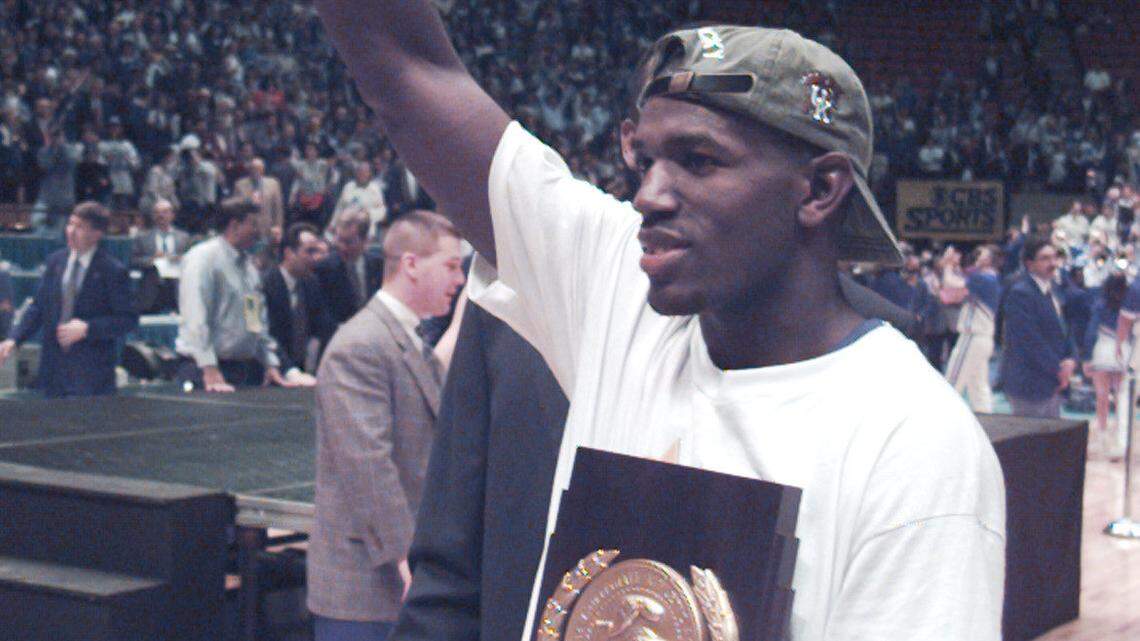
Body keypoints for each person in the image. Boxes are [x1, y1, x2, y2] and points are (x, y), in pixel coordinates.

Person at [316, 6, 1005, 640]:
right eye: (643, 159)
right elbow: (408, 72)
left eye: (699, 160)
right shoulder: (622, 291)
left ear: (820, 189)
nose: (648, 194)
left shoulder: (916, 443)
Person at [307, 210, 466, 641]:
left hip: (393, 589)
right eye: (451, 266)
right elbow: (368, 467)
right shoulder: (360, 346)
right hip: (365, 592)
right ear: (411, 264)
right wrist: (409, 564)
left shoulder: (403, 339)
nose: (459, 279)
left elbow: (438, 369)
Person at [0, 202, 138, 396]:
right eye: (70, 224)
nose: (71, 231)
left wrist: (88, 329)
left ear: (96, 234)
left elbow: (128, 320)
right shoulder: (55, 262)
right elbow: (39, 307)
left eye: (80, 227)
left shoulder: (112, 271)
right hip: (53, 371)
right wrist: (14, 339)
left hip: (91, 374)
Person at [173, 198, 290, 392]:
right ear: (234, 226)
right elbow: (196, 317)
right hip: (204, 369)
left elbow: (255, 321)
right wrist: (209, 367)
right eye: (253, 224)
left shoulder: (249, 267)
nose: (259, 232)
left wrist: (269, 363)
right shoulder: (202, 259)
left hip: (242, 369)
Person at [999, 237, 1077, 418]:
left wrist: (1071, 359)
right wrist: (1058, 370)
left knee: (1051, 442)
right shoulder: (1021, 293)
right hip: (1029, 383)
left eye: (1054, 257)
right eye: (1045, 258)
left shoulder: (1054, 290)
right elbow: (1029, 340)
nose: (1052, 263)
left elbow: (1064, 329)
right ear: (1029, 263)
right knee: (1029, 442)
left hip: (1052, 382)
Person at [262, 222, 331, 382]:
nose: (315, 258)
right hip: (272, 372)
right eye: (309, 251)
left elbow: (324, 327)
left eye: (317, 251)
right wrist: (290, 371)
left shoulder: (311, 284)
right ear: (288, 253)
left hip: (302, 372)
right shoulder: (266, 285)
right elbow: (266, 335)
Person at [945, 244, 1001, 412]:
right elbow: (953, 295)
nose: (977, 256)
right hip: (983, 338)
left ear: (990, 259)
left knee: (952, 384)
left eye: (982, 254)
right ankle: (987, 424)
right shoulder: (990, 279)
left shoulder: (983, 278)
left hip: (973, 337)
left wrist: (948, 263)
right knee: (978, 388)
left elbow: (951, 284)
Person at [314, 208, 383, 326]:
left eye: (349, 242)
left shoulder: (379, 265)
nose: (342, 247)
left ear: (365, 240)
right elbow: (322, 315)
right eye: (340, 240)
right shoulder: (324, 269)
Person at [1084, 272, 1127, 451]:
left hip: (1102, 351)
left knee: (1102, 396)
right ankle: (1121, 439)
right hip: (1123, 352)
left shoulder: (1100, 305)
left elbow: (1091, 333)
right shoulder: (1129, 306)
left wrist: (1086, 358)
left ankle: (1102, 436)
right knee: (1121, 397)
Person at [131, 198, 190, 313]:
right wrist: (152, 259)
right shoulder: (142, 238)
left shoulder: (184, 237)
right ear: (153, 216)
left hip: (177, 289)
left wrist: (181, 259)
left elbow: (191, 260)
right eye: (157, 212)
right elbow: (133, 261)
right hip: (152, 291)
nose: (161, 215)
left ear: (172, 215)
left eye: (165, 212)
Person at [233, 157, 286, 241]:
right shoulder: (239, 185)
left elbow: (278, 208)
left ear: (263, 170)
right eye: (253, 168)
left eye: (258, 169)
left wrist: (278, 226)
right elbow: (237, 208)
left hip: (267, 227)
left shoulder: (273, 183)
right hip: (247, 227)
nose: (255, 171)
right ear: (249, 170)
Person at [329, 161, 387, 235]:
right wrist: (332, 224)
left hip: (366, 231)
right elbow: (339, 207)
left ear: (369, 174)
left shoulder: (375, 189)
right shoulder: (348, 187)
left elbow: (382, 211)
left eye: (365, 172)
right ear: (356, 173)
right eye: (360, 171)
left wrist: (368, 214)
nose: (362, 174)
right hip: (345, 228)